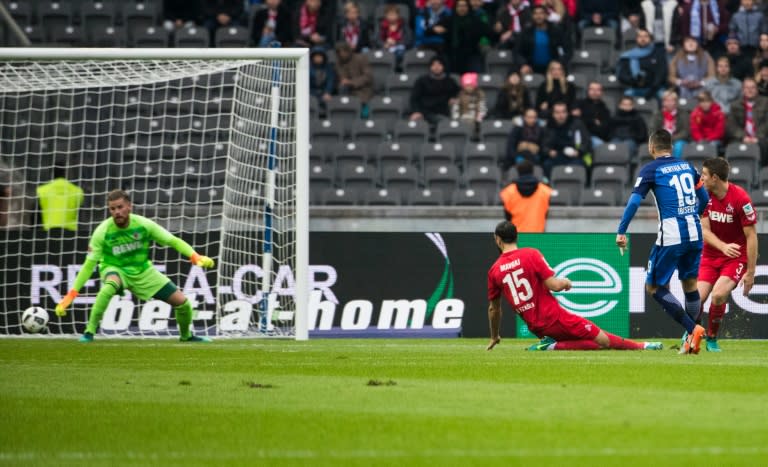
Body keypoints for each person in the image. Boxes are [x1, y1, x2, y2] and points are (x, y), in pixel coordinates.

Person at [54, 190, 216, 343]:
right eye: (112, 209)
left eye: (120, 207)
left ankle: (186, 336)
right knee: (109, 286)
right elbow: (89, 266)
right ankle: (89, 332)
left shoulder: (144, 225)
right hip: (114, 268)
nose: (116, 212)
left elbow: (172, 240)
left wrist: (194, 255)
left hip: (143, 271)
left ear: (129, 207)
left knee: (182, 303)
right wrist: (71, 295)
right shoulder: (102, 232)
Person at [487, 220, 663, 351]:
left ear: (497, 240)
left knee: (595, 344)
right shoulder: (530, 254)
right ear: (516, 236)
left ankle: (550, 344)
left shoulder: (494, 270)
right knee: (603, 341)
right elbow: (554, 285)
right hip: (554, 318)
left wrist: (495, 336)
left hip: (536, 327)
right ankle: (643, 346)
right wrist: (566, 282)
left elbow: (494, 310)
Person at [616, 129, 709, 355]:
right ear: (671, 146)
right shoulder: (688, 166)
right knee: (690, 285)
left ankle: (692, 330)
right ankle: (691, 340)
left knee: (654, 287)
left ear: (651, 147)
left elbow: (634, 203)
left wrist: (621, 231)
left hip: (671, 235)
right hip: (695, 233)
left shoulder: (651, 169)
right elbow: (705, 199)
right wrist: (690, 215)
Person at [691, 157, 758, 352]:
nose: (701, 179)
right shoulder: (703, 197)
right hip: (710, 256)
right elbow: (703, 230)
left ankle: (711, 338)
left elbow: (752, 236)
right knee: (695, 300)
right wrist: (722, 246)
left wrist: (751, 272)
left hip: (735, 257)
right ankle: (692, 334)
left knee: (719, 295)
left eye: (704, 175)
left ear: (715, 178)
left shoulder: (741, 199)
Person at [498, 161, 551, 232]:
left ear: (518, 172)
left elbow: (508, 217)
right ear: (532, 171)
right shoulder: (545, 191)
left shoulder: (508, 192)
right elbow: (546, 213)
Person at [541, 101, 591, 178]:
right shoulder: (548, 126)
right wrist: (549, 151)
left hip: (574, 156)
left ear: (567, 113)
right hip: (556, 156)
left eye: (563, 112)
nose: (560, 115)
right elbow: (543, 145)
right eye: (557, 112)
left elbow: (587, 142)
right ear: (553, 114)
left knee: (579, 165)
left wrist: (579, 151)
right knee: (547, 165)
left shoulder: (577, 124)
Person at [726, 77, 768, 165]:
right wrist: (743, 137)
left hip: (761, 138)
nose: (750, 90)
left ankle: (762, 172)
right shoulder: (735, 105)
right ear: (743, 90)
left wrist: (757, 137)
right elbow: (731, 126)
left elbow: (766, 123)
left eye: (753, 87)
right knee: (732, 146)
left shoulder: (765, 102)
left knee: (764, 145)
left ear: (757, 89)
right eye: (747, 88)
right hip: (741, 138)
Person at [409, 56, 461, 126]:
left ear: (443, 66)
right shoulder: (422, 81)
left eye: (439, 64)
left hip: (445, 111)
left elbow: (457, 93)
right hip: (426, 112)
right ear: (430, 67)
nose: (436, 67)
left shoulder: (450, 81)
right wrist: (416, 111)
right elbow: (414, 98)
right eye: (433, 65)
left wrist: (453, 99)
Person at [515, 5, 568, 75]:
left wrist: (558, 63)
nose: (538, 16)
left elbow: (567, 49)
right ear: (532, 16)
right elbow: (517, 51)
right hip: (531, 68)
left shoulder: (556, 31)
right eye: (535, 13)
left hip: (552, 69)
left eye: (541, 13)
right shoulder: (526, 32)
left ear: (546, 15)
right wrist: (523, 64)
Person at [616, 28, 667, 99]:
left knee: (663, 96)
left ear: (650, 39)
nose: (643, 39)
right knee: (626, 97)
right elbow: (622, 75)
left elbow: (661, 74)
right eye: (640, 36)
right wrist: (633, 80)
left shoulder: (658, 54)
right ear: (636, 39)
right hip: (635, 88)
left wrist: (652, 90)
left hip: (654, 89)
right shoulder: (628, 56)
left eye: (646, 36)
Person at [334, 42, 375, 117]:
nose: (342, 54)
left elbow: (368, 77)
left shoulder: (361, 58)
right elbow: (342, 78)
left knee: (364, 114)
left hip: (364, 90)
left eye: (344, 51)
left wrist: (352, 82)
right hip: (348, 91)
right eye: (340, 52)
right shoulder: (338, 64)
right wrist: (345, 82)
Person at [667, 36, 715, 100]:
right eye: (688, 41)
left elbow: (712, 76)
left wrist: (700, 83)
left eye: (693, 41)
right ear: (683, 44)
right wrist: (681, 82)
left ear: (697, 43)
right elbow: (671, 77)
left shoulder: (706, 56)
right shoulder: (677, 57)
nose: (691, 44)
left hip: (702, 90)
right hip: (682, 89)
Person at [37, 166, 84, 232]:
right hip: (71, 233)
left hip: (48, 231)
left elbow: (36, 214)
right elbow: (81, 214)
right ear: (66, 173)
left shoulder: (41, 190)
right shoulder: (77, 190)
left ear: (52, 173)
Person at [650, 89, 689, 159]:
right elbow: (652, 130)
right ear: (663, 102)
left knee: (678, 146)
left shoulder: (683, 114)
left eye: (672, 100)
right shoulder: (657, 114)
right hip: (661, 140)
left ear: (676, 102)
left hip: (677, 140)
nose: (669, 103)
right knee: (657, 147)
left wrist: (670, 139)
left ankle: (674, 165)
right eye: (667, 101)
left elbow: (685, 132)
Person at [572, 81, 611, 148]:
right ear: (587, 91)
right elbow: (575, 121)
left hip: (595, 137)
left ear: (602, 92)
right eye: (592, 89)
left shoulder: (604, 109)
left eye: (597, 90)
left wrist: (583, 116)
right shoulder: (579, 103)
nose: (594, 92)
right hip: (579, 135)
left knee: (600, 145)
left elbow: (604, 128)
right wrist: (593, 121)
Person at [608, 96, 648, 161]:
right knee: (613, 146)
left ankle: (624, 166)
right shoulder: (614, 118)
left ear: (632, 106)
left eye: (629, 104)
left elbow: (642, 134)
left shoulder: (638, 118)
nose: (626, 107)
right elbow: (609, 132)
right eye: (624, 104)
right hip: (616, 139)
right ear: (619, 105)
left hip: (631, 140)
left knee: (627, 146)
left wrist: (634, 137)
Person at [451, 72, 487, 137]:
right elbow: (456, 108)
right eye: (467, 85)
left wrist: (478, 119)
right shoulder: (460, 95)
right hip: (462, 118)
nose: (469, 87)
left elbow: (482, 108)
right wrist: (456, 119)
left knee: (472, 125)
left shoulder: (479, 95)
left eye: (471, 85)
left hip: (475, 120)